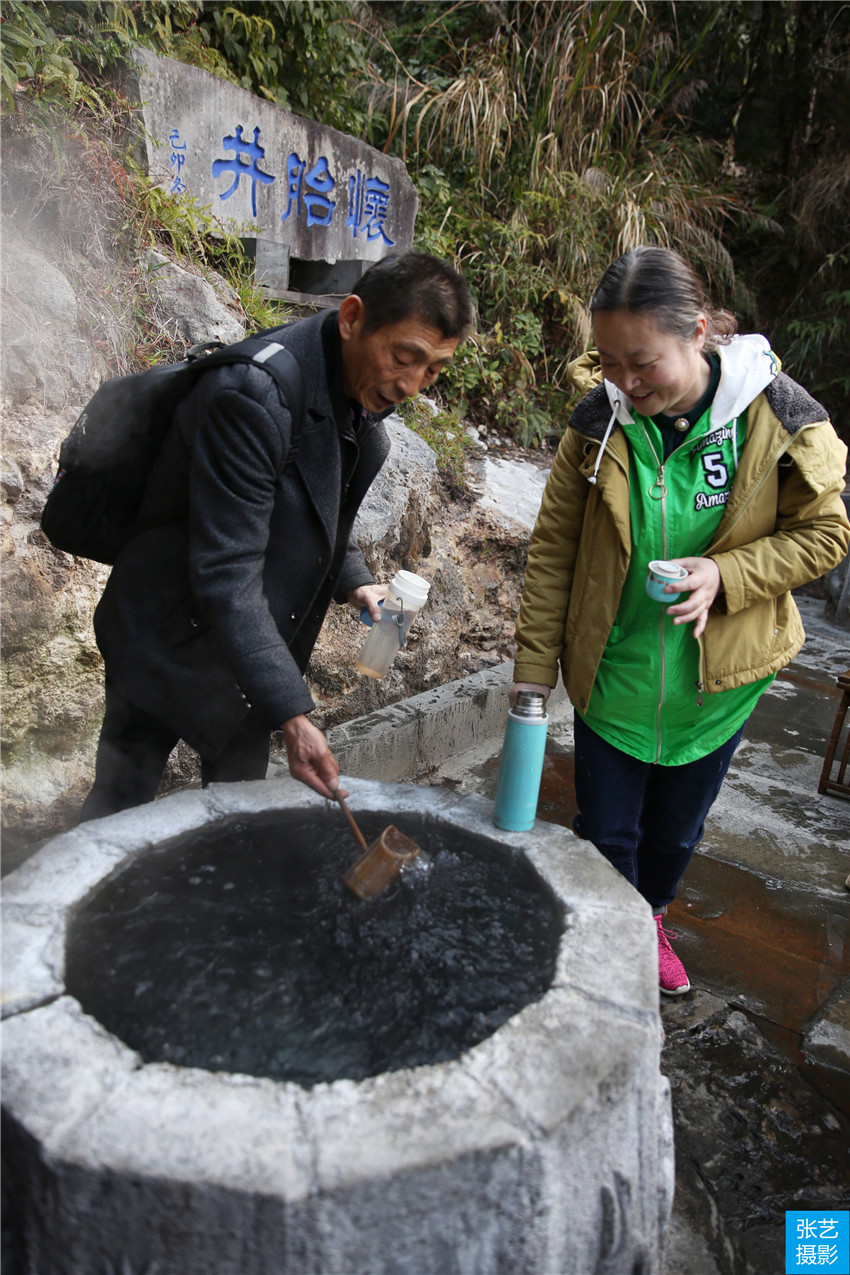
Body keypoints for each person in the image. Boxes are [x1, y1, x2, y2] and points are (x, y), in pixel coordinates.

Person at [511, 246, 850, 995]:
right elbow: (552, 557)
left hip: (716, 684)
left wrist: (726, 574)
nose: (625, 383)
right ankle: (608, 931)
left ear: (698, 331)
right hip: (613, 674)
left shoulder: (778, 416)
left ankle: (649, 916)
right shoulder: (598, 423)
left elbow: (826, 534)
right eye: (608, 362)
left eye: (643, 363)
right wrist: (532, 681)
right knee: (607, 833)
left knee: (675, 833)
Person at [79, 251, 473, 821]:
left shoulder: (357, 391)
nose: (412, 384)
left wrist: (359, 582)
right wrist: (293, 713)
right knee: (120, 798)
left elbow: (314, 508)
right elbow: (227, 570)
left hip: (241, 661)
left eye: (434, 370)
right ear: (352, 317)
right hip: (162, 635)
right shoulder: (253, 394)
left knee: (241, 816)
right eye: (404, 357)